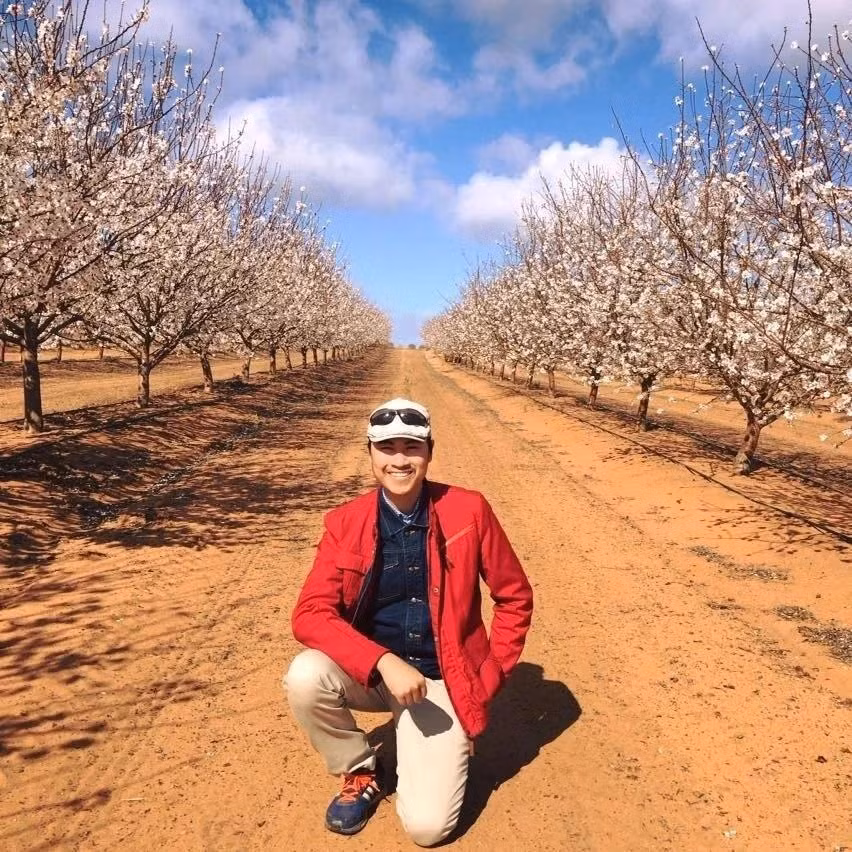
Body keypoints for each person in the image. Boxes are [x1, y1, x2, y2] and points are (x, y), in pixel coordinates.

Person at [284, 397, 533, 846]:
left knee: (427, 829)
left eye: (411, 447)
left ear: (430, 452)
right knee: (305, 675)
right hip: (374, 673)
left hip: (441, 677)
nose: (400, 459)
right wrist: (381, 661)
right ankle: (361, 770)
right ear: (371, 453)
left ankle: (432, 739)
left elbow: (514, 597)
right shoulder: (346, 522)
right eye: (387, 447)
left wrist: (483, 682)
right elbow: (309, 614)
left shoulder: (469, 511)